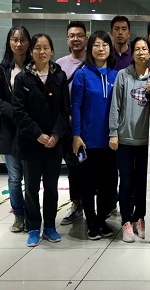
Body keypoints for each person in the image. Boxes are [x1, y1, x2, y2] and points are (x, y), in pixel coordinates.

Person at [13, 34, 70, 247]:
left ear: (52, 51)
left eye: (46, 47)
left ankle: (50, 227)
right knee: (31, 188)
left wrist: (55, 134)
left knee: (52, 188)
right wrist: (38, 134)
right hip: (31, 143)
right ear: (32, 51)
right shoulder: (23, 78)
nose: (42, 52)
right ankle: (33, 227)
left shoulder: (59, 76)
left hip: (54, 144)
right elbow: (19, 112)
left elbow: (65, 111)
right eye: (38, 47)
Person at [109, 37, 150, 243]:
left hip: (147, 141)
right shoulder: (123, 75)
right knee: (126, 182)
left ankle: (140, 218)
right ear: (132, 53)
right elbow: (115, 105)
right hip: (125, 139)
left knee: (143, 182)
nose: (141, 52)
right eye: (137, 49)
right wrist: (113, 132)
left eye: (144, 49)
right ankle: (126, 221)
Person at [71, 31, 119, 240]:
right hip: (87, 141)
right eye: (96, 45)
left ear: (110, 49)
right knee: (88, 184)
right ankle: (91, 222)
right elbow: (75, 106)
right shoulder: (82, 74)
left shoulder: (116, 75)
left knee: (108, 185)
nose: (101, 49)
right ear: (90, 49)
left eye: (105, 45)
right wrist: (76, 135)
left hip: (110, 141)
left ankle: (101, 220)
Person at [0, 25, 32, 233]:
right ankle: (19, 215)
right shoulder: (3, 69)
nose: (19, 43)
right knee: (15, 178)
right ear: (9, 42)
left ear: (28, 42)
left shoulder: (35, 67)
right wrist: (15, 112)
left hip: (31, 131)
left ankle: (32, 216)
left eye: (23, 39)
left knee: (31, 178)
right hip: (10, 131)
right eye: (15, 39)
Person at [56, 20, 87, 227]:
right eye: (72, 36)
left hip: (91, 126)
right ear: (67, 39)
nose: (76, 39)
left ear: (86, 38)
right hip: (69, 128)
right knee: (74, 168)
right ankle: (76, 204)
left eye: (79, 35)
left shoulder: (93, 61)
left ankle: (97, 206)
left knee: (92, 168)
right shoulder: (59, 64)